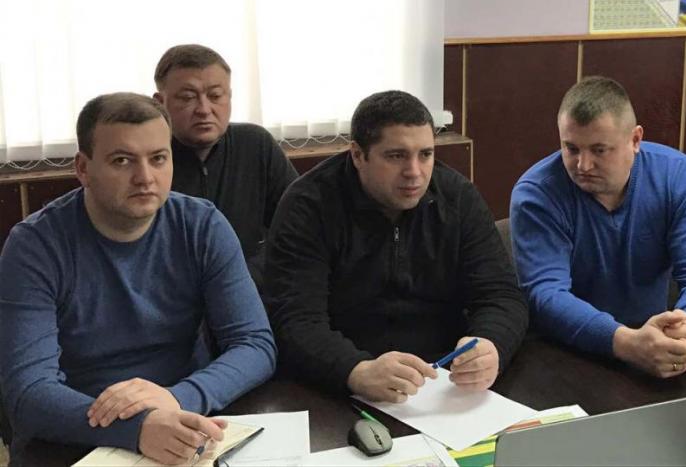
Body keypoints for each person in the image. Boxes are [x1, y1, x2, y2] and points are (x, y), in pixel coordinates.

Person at [0, 93, 276, 465]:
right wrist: (138, 427)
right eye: (122, 160)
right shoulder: (35, 245)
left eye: (158, 158)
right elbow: (28, 392)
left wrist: (178, 397)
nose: (145, 178)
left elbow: (255, 345)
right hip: (73, 432)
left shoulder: (202, 225)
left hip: (183, 420)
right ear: (83, 168)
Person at [264, 90, 528, 402]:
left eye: (425, 154)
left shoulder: (457, 197)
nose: (414, 172)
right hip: (342, 382)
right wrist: (355, 370)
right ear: (358, 155)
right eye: (396, 156)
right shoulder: (308, 205)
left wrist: (491, 344)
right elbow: (295, 320)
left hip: (443, 379)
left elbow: (501, 295)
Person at [511, 76, 686, 378]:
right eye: (571, 148)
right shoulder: (537, 193)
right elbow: (546, 295)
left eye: (599, 150)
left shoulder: (677, 176)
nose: (583, 165)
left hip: (655, 343)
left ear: (636, 140)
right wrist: (626, 343)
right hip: (564, 354)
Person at [153, 44, 298, 284]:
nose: (204, 110)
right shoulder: (148, 159)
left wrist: (245, 276)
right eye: (188, 98)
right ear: (160, 103)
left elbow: (296, 228)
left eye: (215, 96)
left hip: (252, 283)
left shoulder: (256, 144)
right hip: (173, 291)